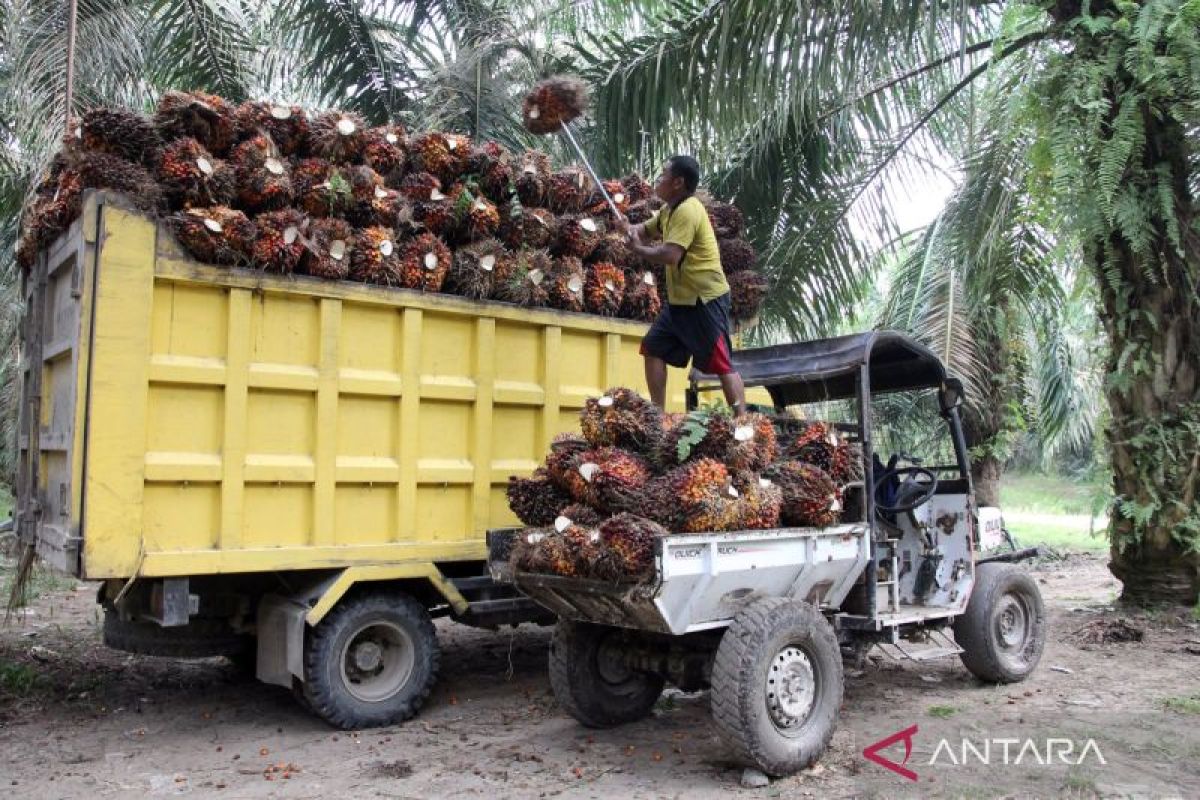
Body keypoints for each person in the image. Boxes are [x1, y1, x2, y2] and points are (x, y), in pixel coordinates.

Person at [616, 155, 746, 415]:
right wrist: (628, 228)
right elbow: (643, 229)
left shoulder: (688, 210)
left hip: (704, 300)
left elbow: (671, 255)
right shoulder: (668, 210)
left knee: (722, 364)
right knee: (652, 348)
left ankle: (743, 424)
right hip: (680, 302)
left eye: (663, 174)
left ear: (677, 182)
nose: (658, 179)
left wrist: (638, 249)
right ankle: (658, 416)